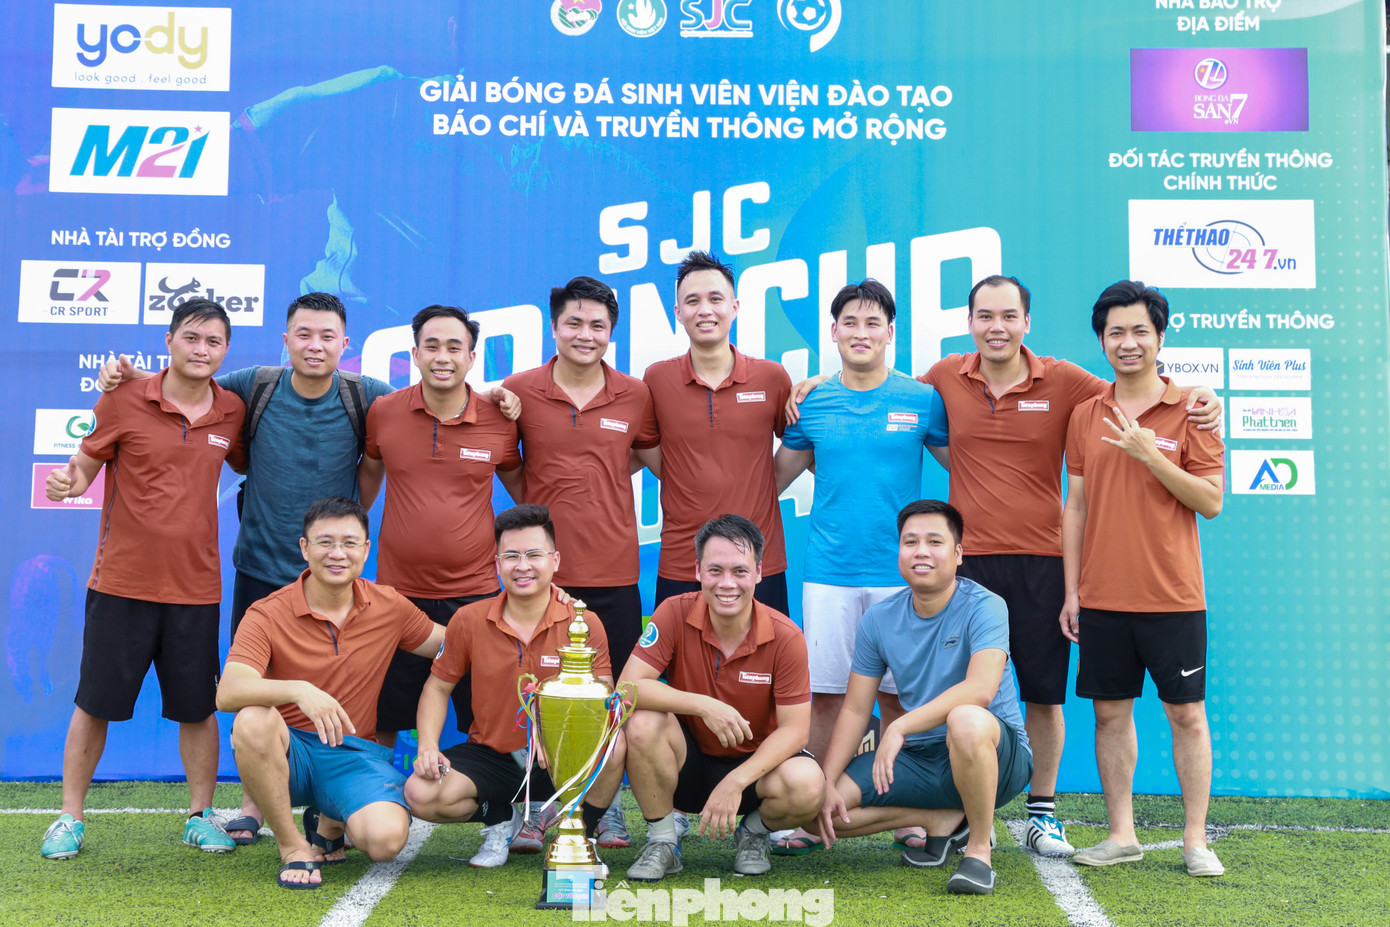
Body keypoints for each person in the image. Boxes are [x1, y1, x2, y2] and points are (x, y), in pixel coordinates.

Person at [787, 274, 1221, 857]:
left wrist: (1199, 394)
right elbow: (878, 387)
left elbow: (1133, 386)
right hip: (964, 566)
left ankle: (1042, 812)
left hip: (1041, 560)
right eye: (985, 316)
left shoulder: (1066, 381)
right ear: (970, 323)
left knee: (1042, 694)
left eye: (1009, 316)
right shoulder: (944, 377)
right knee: (958, 695)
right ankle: (961, 810)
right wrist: (819, 383)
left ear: (1026, 322)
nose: (997, 327)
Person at [41, 298, 246, 860]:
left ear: (225, 350)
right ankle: (69, 817)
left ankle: (200, 816)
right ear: (169, 340)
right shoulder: (123, 396)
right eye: (191, 338)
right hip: (120, 585)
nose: (201, 349)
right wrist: (68, 483)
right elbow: (84, 467)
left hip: (196, 590)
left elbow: (250, 460)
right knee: (95, 703)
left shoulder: (232, 410)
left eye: (213, 341)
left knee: (197, 709)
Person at [772, 280, 948, 853]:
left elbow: (972, 466)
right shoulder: (812, 402)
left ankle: (905, 813)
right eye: (850, 322)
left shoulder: (922, 399)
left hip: (903, 578)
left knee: (900, 701)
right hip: (829, 574)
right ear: (833, 331)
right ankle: (811, 811)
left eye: (873, 323)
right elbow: (769, 481)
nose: (861, 332)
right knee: (825, 698)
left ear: (891, 332)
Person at [1060, 280, 1226, 877]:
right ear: (1102, 341)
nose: (1128, 343)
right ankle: (1121, 834)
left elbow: (1210, 501)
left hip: (1174, 596)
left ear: (1160, 337)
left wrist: (1151, 454)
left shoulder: (1193, 409)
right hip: (1103, 596)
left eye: (1139, 331)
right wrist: (1072, 591)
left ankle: (1195, 840)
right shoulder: (1086, 414)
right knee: (1109, 715)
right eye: (1116, 333)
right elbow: (1076, 507)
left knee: (1187, 715)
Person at [499, 276, 659, 849]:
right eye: (574, 322)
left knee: (609, 700)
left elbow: (642, 456)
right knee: (538, 697)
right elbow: (510, 465)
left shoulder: (635, 394)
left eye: (597, 325)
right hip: (542, 579)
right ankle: (536, 804)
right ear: (555, 327)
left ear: (611, 333)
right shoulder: (519, 390)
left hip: (614, 572)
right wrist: (543, 507)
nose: (585, 334)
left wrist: (597, 480)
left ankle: (604, 808)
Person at [217, 497, 446, 889]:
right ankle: (293, 846)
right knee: (252, 719)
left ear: (366, 550)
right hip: (290, 754)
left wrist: (532, 610)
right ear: (304, 548)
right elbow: (228, 691)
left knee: (386, 841)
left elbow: (452, 643)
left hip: (353, 754)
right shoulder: (267, 612)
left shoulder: (389, 605)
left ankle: (329, 822)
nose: (337, 554)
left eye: (349, 543)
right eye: (325, 542)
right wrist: (299, 690)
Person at [813, 500, 1033, 896]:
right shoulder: (879, 619)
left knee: (964, 719)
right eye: (910, 542)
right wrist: (826, 782)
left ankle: (978, 852)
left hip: (997, 756)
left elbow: (980, 690)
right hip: (921, 759)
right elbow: (856, 709)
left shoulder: (986, 605)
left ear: (958, 553)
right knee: (817, 812)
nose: (921, 552)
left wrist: (900, 726)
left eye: (935, 542)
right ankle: (940, 819)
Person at [403, 504, 624, 869]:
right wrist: (427, 746)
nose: (523, 566)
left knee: (616, 747)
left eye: (534, 555)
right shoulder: (469, 620)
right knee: (420, 793)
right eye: (511, 556)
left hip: (563, 757)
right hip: (495, 756)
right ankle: (502, 817)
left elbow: (604, 703)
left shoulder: (583, 622)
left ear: (555, 560)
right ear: (497, 563)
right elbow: (437, 689)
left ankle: (578, 836)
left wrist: (556, 737)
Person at [618, 514, 824, 881]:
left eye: (739, 571)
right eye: (715, 570)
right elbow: (627, 689)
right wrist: (703, 705)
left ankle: (754, 834)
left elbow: (795, 731)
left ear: (759, 573)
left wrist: (736, 781)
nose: (727, 583)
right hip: (688, 764)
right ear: (698, 571)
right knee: (643, 721)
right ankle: (663, 841)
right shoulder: (673, 611)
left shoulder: (787, 636)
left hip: (756, 772)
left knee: (807, 783)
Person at [359, 304, 522, 748]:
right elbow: (368, 473)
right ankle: (379, 792)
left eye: (454, 347)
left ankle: (490, 794)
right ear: (415, 354)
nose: (442, 357)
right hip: (398, 595)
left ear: (471, 357)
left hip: (476, 595)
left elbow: (525, 488)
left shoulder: (499, 419)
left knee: (485, 714)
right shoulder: (384, 412)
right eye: (431, 346)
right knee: (385, 715)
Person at [640, 251, 793, 614]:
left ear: (734, 307)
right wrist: (683, 478)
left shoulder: (771, 378)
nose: (704, 310)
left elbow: (803, 444)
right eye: (692, 301)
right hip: (682, 561)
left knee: (765, 651)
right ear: (678, 312)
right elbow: (642, 445)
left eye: (715, 299)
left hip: (758, 561)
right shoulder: (656, 380)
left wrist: (762, 485)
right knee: (680, 653)